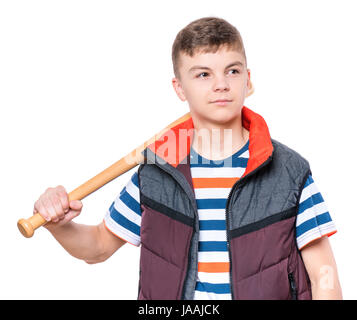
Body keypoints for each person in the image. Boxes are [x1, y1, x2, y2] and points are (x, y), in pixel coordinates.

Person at [33, 17, 342, 300]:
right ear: (179, 88)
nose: (221, 84)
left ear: (247, 80)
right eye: (203, 74)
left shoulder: (289, 172)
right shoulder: (155, 173)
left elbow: (323, 276)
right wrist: (57, 224)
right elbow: (98, 248)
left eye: (232, 71)